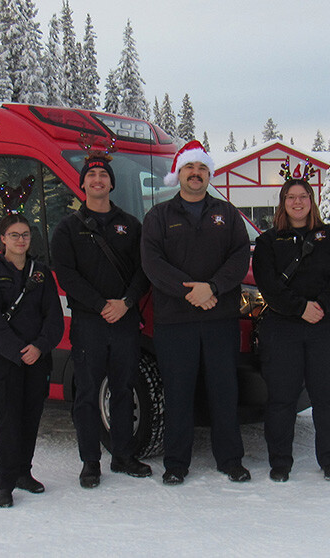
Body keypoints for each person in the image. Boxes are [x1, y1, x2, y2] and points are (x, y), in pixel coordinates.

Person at [141, 139, 252, 485]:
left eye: (202, 168)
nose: (196, 174)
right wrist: (191, 292)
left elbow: (239, 257)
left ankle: (230, 459)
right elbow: (152, 263)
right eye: (190, 167)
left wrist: (213, 288)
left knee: (224, 391)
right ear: (179, 172)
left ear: (209, 175)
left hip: (219, 319)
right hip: (176, 322)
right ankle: (176, 463)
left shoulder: (227, 214)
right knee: (178, 392)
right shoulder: (159, 216)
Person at [51, 154, 153, 489]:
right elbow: (66, 273)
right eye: (91, 175)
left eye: (103, 175)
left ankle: (123, 456)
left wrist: (125, 303)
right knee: (87, 393)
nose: (97, 180)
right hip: (89, 322)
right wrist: (99, 305)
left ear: (111, 183)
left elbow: (143, 271)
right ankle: (90, 462)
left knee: (122, 389)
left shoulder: (130, 224)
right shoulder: (68, 227)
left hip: (124, 320)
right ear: (82, 184)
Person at [251, 176, 330, 482]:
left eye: (303, 196)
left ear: (312, 201)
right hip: (284, 330)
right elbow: (268, 284)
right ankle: (280, 461)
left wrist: (320, 305)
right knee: (282, 398)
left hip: (325, 325)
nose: (298, 202)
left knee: (326, 397)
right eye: (291, 197)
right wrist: (300, 308)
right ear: (283, 203)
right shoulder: (269, 242)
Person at [0, 213, 65, 507]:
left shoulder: (41, 273)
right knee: (9, 421)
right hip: (7, 362)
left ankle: (24, 473)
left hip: (38, 360)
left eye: (25, 234)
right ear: (3, 239)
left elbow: (54, 319)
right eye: (14, 235)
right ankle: (4, 484)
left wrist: (39, 347)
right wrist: (17, 351)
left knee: (30, 419)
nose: (20, 240)